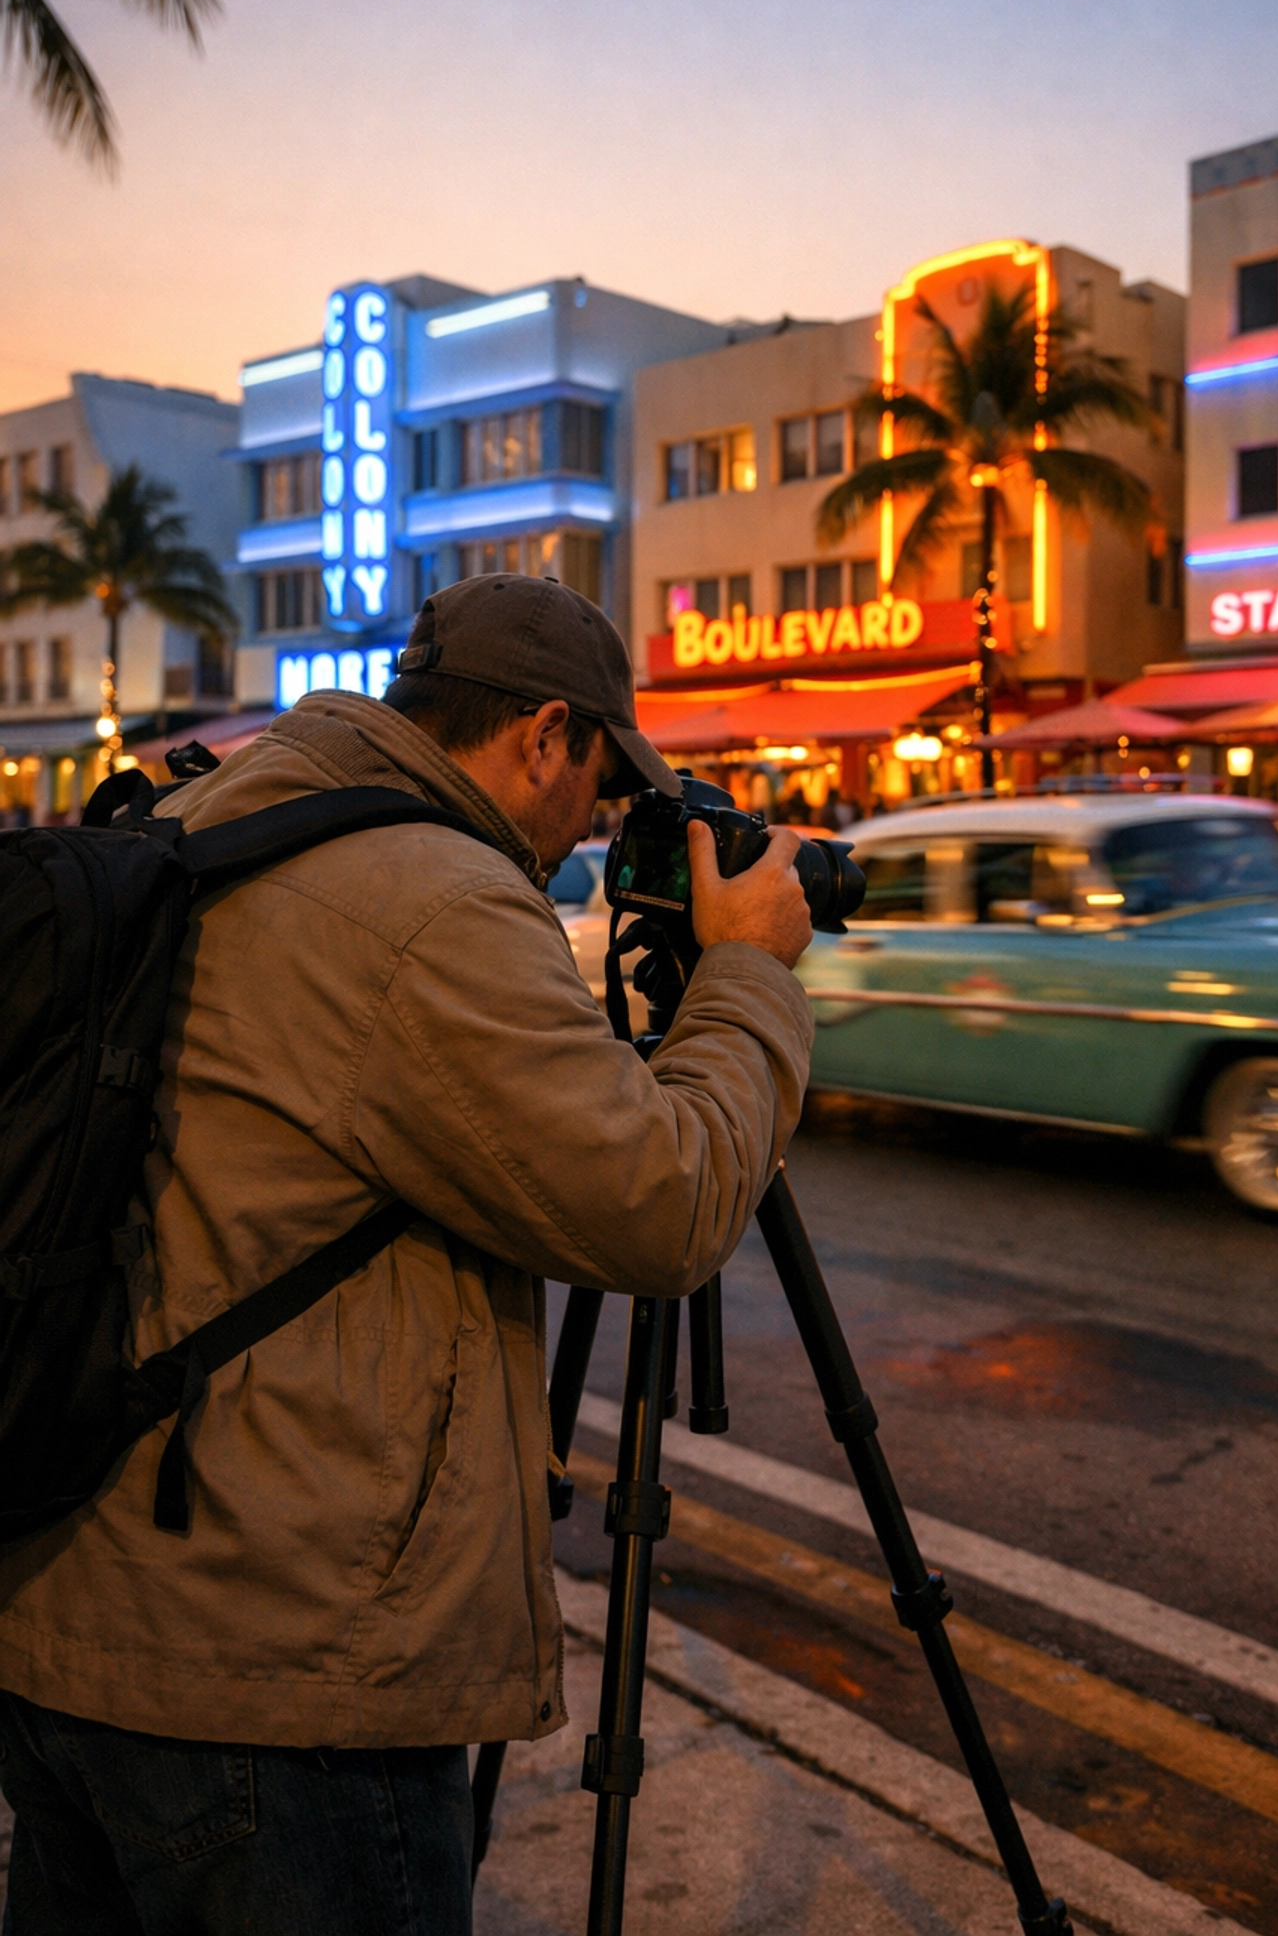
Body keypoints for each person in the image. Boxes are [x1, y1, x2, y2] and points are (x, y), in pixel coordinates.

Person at [0, 574, 816, 1935]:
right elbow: (664, 1204)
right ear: (545, 734)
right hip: (277, 1681)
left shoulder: (215, 810)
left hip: (69, 1612)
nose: (591, 826)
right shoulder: (430, 898)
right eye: (601, 788)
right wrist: (750, 978)